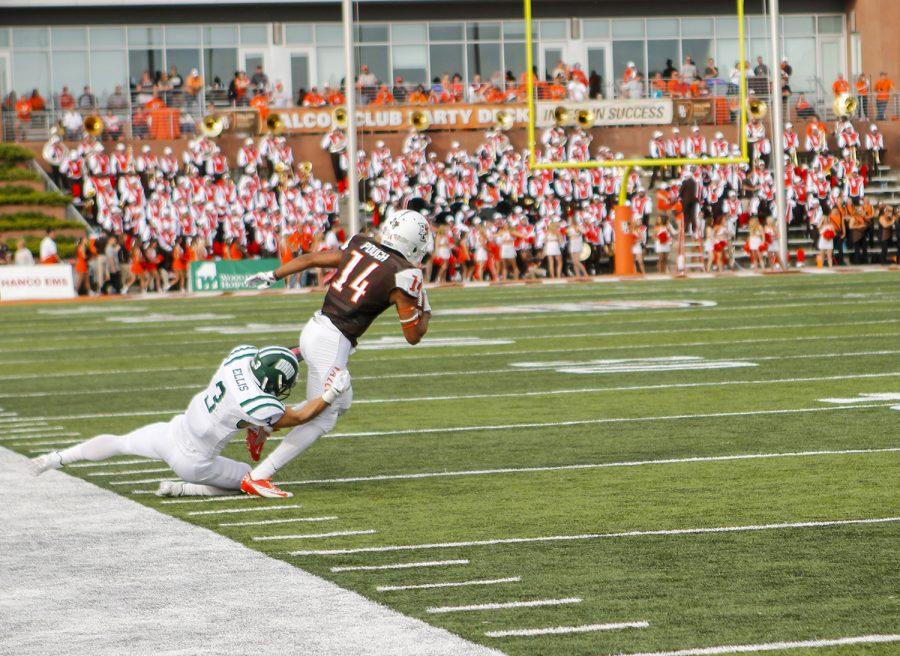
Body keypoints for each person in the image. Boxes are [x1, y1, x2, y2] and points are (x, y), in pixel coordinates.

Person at [242, 210, 432, 495]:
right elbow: (413, 336)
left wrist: (273, 274)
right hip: (332, 341)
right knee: (322, 418)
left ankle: (265, 428)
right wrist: (424, 306)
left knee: (342, 402)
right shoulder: (404, 274)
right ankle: (260, 475)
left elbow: (310, 259)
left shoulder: (361, 244)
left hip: (315, 328)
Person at [30, 346, 352, 499]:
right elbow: (298, 416)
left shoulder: (238, 358)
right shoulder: (258, 402)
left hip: (172, 431)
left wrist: (300, 352)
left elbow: (267, 363)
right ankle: (182, 490)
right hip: (194, 464)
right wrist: (329, 394)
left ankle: (56, 458)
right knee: (251, 481)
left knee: (119, 441)